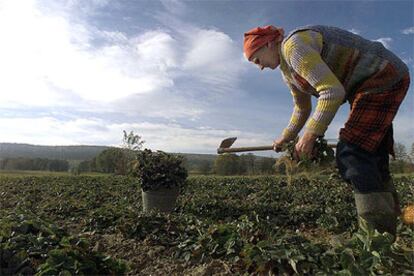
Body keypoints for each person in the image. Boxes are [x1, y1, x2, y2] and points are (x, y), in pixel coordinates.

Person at [243, 24, 410, 238]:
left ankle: (377, 238)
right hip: (370, 85)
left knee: (353, 154)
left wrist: (310, 135)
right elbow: (302, 108)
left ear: (267, 44)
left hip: (383, 76)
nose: (260, 67)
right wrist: (285, 138)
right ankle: (389, 227)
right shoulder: (287, 71)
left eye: (257, 60)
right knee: (372, 155)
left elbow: (332, 92)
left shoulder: (293, 47)